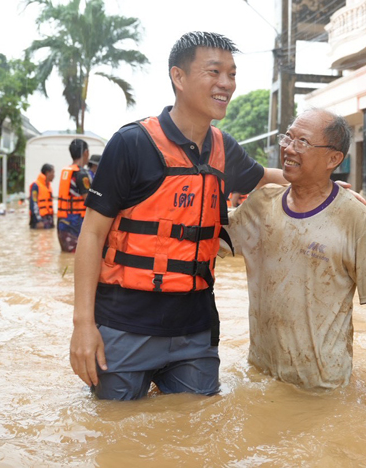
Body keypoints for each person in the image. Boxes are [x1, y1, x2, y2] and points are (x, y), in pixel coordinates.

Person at [70, 31, 287, 400]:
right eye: (214, 72)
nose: (226, 84)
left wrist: (327, 187)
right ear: (179, 77)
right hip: (124, 326)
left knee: (198, 433)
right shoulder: (131, 144)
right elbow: (90, 235)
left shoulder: (223, 147)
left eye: (232, 74)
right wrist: (83, 326)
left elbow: (265, 177)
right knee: (117, 436)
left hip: (195, 330)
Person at [225, 109, 366, 405]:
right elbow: (208, 239)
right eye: (288, 138)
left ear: (333, 159)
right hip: (261, 375)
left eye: (302, 142)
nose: (289, 149)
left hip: (322, 386)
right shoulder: (261, 205)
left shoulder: (355, 218)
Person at [57, 139, 91, 252]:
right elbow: (89, 201)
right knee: (76, 256)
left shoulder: (67, 171)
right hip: (75, 223)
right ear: (85, 152)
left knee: (66, 256)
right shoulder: (81, 174)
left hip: (62, 221)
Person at [29, 163, 55, 229]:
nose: (54, 175)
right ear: (47, 173)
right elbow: (33, 204)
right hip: (40, 221)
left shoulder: (48, 186)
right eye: (53, 173)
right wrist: (38, 221)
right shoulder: (36, 186)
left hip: (48, 220)